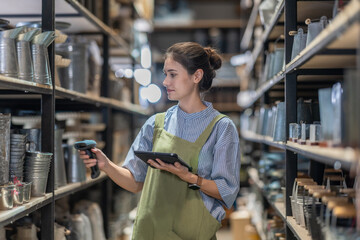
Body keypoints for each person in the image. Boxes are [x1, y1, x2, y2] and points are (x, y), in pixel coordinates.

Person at [79, 42, 240, 240]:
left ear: (196, 76)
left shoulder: (221, 128)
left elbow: (227, 192)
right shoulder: (155, 124)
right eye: (165, 74)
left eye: (172, 74)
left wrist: (189, 177)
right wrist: (107, 165)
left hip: (192, 233)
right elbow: (135, 182)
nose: (165, 81)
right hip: (151, 231)